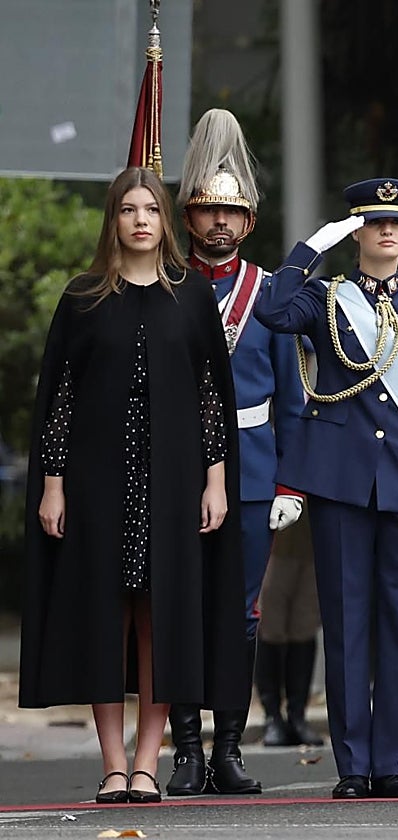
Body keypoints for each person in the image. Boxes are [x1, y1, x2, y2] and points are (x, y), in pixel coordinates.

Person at [20, 166, 244, 804]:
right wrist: (53, 484)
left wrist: (216, 480)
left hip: (174, 485)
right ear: (113, 220)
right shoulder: (84, 296)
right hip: (96, 485)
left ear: (165, 221)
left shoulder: (192, 296)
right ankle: (113, 764)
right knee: (103, 618)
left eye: (151, 208)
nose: (141, 219)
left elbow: (210, 399)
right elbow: (59, 400)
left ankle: (149, 763)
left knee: (162, 620)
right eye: (128, 209)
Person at [254, 178, 398, 800]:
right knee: (346, 623)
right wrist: (308, 250)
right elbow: (271, 310)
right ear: (356, 231)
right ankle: (352, 765)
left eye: (396, 223)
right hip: (342, 480)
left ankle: (392, 761)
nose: (386, 232)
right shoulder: (323, 298)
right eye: (373, 223)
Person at [164, 107, 307, 796]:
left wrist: (290, 484)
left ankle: (228, 748)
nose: (219, 224)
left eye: (232, 213)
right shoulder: (164, 286)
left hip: (252, 468)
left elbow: (293, 399)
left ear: (249, 223)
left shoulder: (272, 295)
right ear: (189, 217)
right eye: (207, 211)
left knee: (241, 612)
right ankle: (185, 749)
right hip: (175, 469)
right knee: (180, 608)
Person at [255, 505, 324, 748]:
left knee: (304, 626)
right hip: (274, 540)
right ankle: (272, 715)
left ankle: (298, 716)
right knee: (270, 626)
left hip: (313, 542)